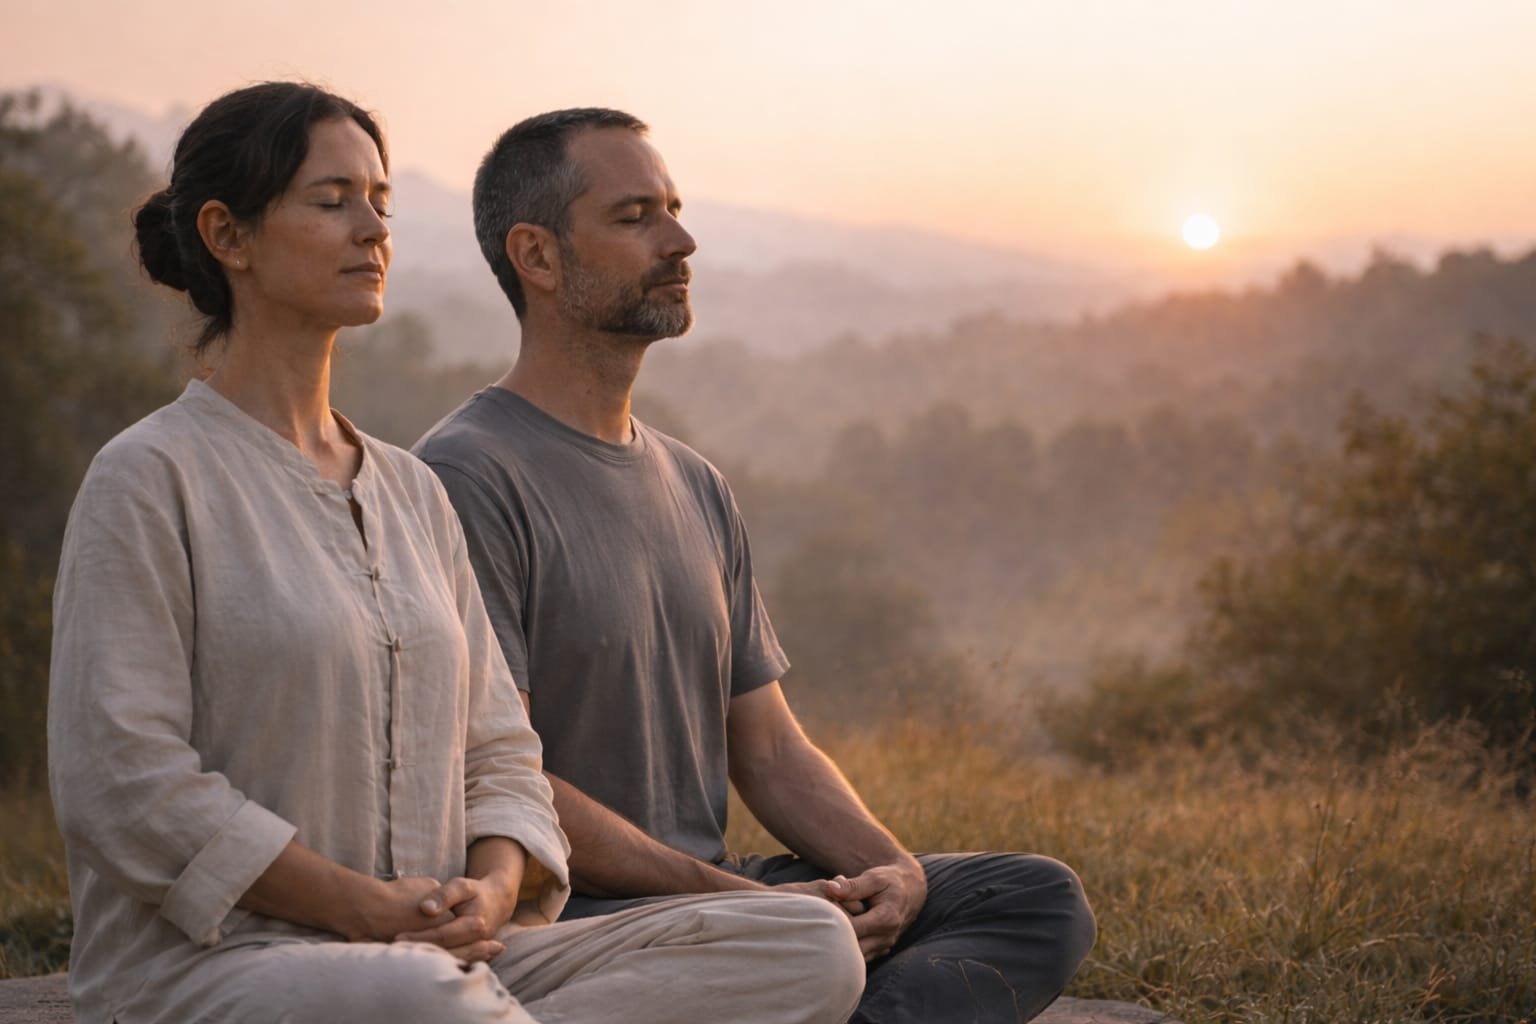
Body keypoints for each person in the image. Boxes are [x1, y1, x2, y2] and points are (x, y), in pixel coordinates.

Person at [47, 83, 865, 1024]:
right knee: (418, 994)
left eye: (381, 202)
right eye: (333, 202)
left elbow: (500, 752)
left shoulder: (411, 491)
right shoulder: (151, 478)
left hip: (449, 951)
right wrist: (360, 907)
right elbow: (124, 781)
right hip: (222, 965)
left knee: (804, 942)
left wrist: (493, 886)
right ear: (228, 236)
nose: (373, 230)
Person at [413, 107, 1098, 1023]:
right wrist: (742, 902)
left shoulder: (694, 483)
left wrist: (892, 872)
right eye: (635, 217)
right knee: (812, 942)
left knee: (1032, 897)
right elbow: (499, 776)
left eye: (674, 209)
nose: (680, 240)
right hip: (587, 920)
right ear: (536, 256)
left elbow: (769, 748)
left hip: (727, 895)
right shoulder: (466, 475)